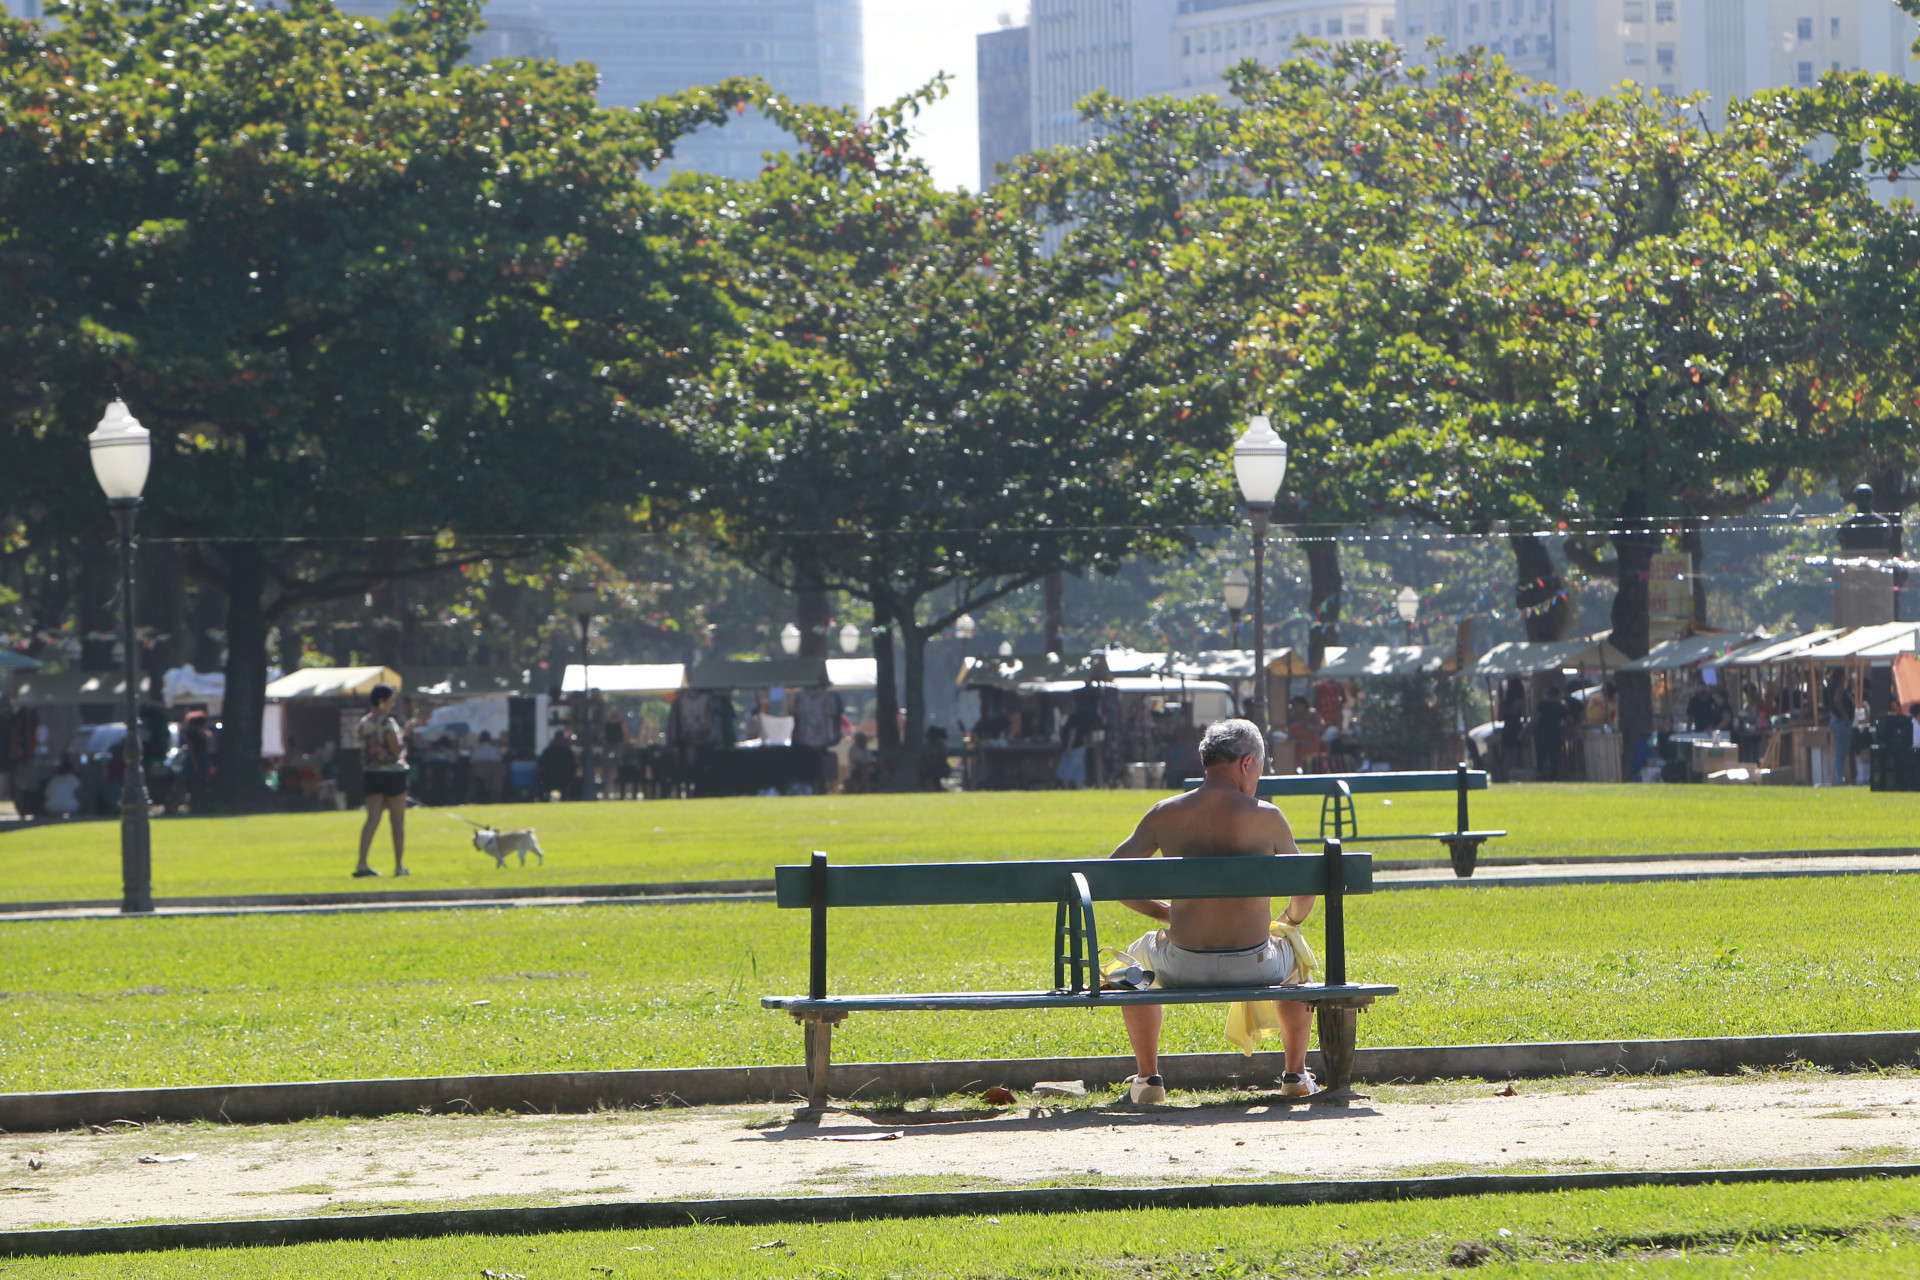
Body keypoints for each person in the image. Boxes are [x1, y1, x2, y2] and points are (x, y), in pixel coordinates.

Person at [1107, 719, 1317, 1104]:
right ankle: (1295, 1074)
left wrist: (1165, 915)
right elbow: (1304, 892)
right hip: (1257, 964)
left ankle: (1148, 1079)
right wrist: (1291, 922)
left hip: (1181, 965)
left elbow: (1112, 877)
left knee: (1135, 961)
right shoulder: (1268, 817)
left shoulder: (1166, 813)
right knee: (1296, 956)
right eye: (1261, 770)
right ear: (1247, 763)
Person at [354, 684, 409, 878]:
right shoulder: (388, 722)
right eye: (391, 700)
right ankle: (399, 866)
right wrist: (406, 734)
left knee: (372, 819)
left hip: (371, 774)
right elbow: (396, 749)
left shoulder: (364, 722)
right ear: (382, 701)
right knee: (397, 821)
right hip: (392, 775)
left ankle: (362, 863)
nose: (392, 704)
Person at [1826, 669, 1856, 786]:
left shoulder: (1831, 687)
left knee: (1840, 753)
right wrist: (1845, 714)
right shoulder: (1839, 688)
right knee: (1840, 753)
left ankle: (1839, 779)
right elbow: (1837, 701)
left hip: (1836, 720)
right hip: (1841, 722)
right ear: (1841, 677)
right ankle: (1839, 780)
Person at [1534, 685, 1567, 781]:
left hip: (1541, 735)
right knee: (1554, 760)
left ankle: (1540, 776)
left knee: (1540, 759)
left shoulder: (1542, 705)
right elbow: (1569, 720)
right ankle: (1553, 778)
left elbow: (1536, 719)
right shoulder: (1561, 707)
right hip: (1555, 735)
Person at [538, 727, 578, 801]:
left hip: (563, 779)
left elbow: (573, 766)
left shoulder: (565, 751)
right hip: (552, 778)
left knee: (565, 794)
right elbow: (541, 765)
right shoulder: (550, 751)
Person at [469, 730, 506, 803]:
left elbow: (472, 761)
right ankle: (496, 798)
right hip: (493, 776)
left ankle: (472, 799)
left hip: (480, 773)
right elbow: (500, 760)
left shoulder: (475, 750)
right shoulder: (495, 750)